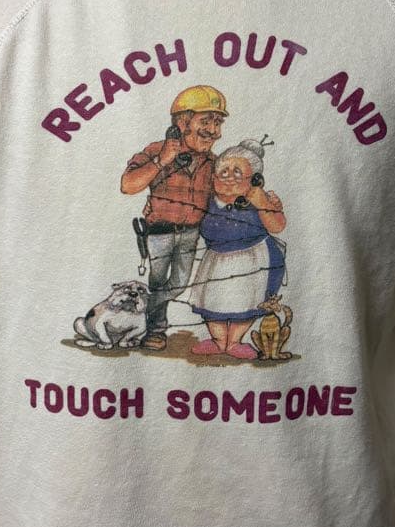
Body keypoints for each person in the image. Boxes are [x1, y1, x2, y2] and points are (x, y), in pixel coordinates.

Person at [121, 85, 228, 350]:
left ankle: (139, 307)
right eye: (206, 121)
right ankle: (155, 330)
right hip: (159, 232)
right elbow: (128, 185)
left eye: (217, 123)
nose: (213, 131)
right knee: (158, 280)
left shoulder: (213, 162)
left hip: (191, 233)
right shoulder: (157, 151)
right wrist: (162, 160)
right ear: (182, 123)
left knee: (179, 284)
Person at [188, 138, 286, 359]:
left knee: (247, 300)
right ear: (214, 178)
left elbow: (277, 226)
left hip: (252, 259)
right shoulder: (208, 201)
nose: (229, 177)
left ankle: (234, 341)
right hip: (215, 260)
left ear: (254, 180)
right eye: (223, 172)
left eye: (237, 172)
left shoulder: (259, 201)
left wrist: (263, 202)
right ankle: (218, 340)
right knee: (211, 299)